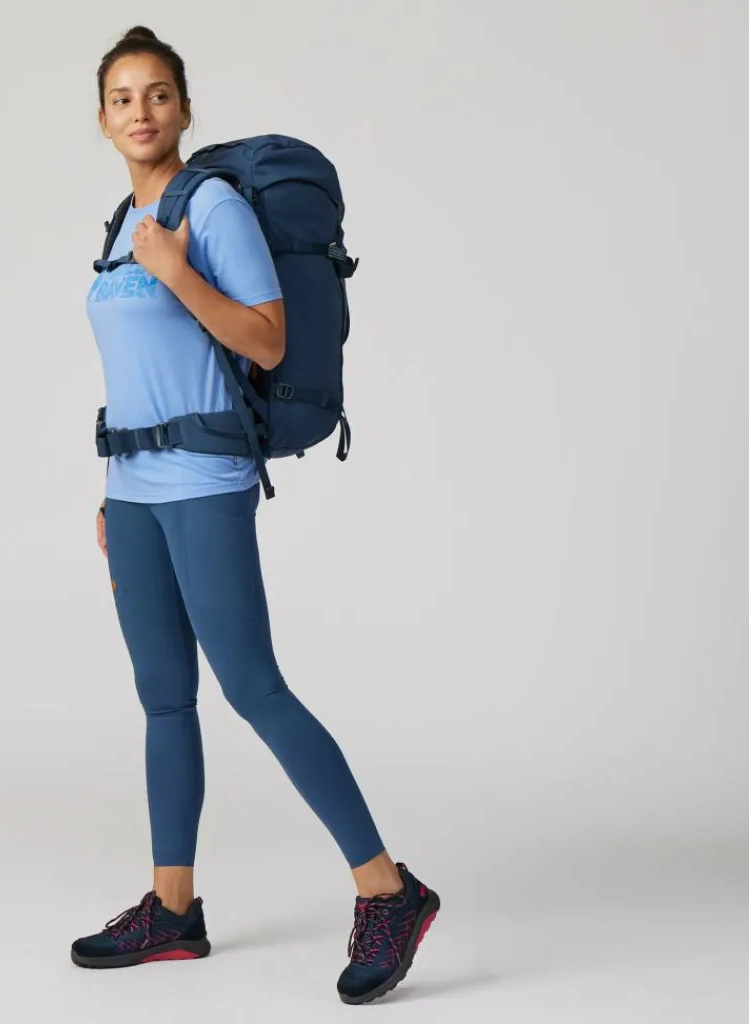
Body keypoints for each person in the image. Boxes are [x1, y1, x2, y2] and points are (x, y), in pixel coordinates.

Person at [69, 26, 441, 1005]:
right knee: (163, 695)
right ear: (101, 118)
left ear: (185, 109)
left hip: (204, 479)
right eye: (122, 98)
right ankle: (172, 910)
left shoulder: (212, 208)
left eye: (158, 94)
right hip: (134, 489)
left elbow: (267, 341)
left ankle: (389, 888)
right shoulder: (122, 222)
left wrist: (178, 270)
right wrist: (109, 485)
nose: (141, 112)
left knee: (253, 687)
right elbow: (135, 363)